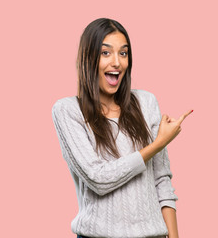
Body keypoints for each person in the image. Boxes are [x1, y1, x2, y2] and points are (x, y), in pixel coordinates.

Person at [51, 18, 192, 238]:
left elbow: (162, 181)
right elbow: (98, 178)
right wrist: (158, 144)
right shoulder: (68, 111)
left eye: (123, 53)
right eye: (106, 53)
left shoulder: (146, 102)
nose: (117, 62)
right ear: (88, 59)